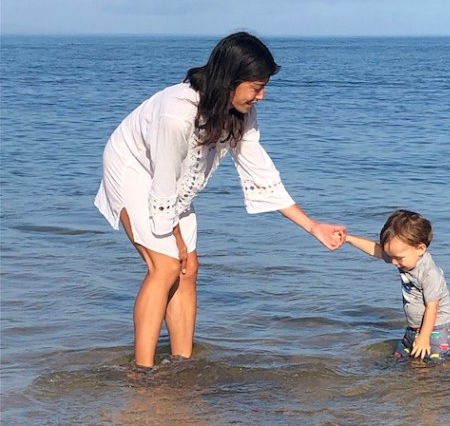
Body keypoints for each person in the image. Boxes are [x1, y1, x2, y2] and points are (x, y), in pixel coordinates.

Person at [94, 31, 346, 370]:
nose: (262, 96)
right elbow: (164, 182)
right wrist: (177, 239)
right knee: (166, 266)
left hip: (170, 181)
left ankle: (182, 362)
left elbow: (261, 173)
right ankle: (144, 372)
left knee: (189, 268)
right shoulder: (176, 114)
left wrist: (313, 226)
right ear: (230, 80)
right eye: (257, 87)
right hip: (136, 169)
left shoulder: (240, 113)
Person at [345, 209, 450, 361]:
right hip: (413, 328)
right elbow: (375, 249)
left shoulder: (429, 273)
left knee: (432, 368)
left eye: (398, 258)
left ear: (420, 249)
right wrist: (348, 238)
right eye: (391, 257)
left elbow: (432, 307)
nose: (394, 262)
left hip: (436, 331)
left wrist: (423, 337)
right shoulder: (406, 257)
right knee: (399, 360)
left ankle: (448, 383)